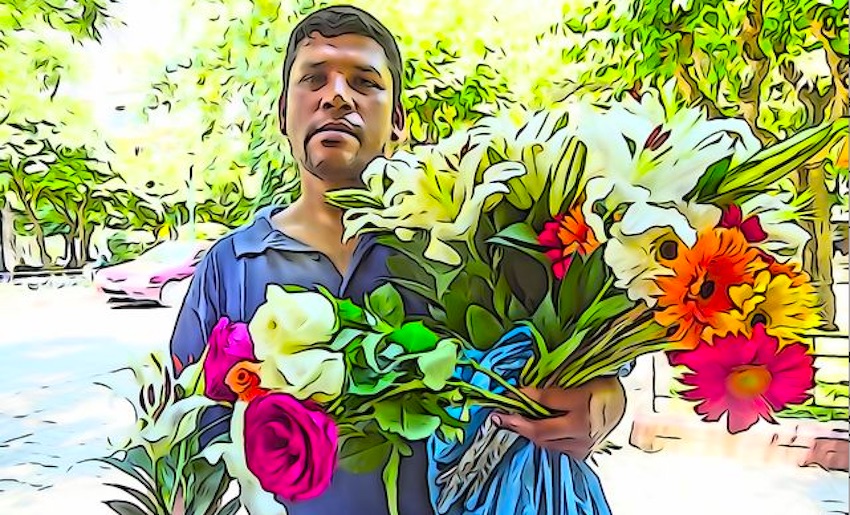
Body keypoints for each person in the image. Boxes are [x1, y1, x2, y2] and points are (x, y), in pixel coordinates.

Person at [169, 5, 628, 514]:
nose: (337, 96)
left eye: (364, 82)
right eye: (314, 79)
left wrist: (606, 401)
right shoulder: (230, 266)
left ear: (399, 122)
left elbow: (569, 367)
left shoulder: (463, 250)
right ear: (283, 114)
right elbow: (187, 445)